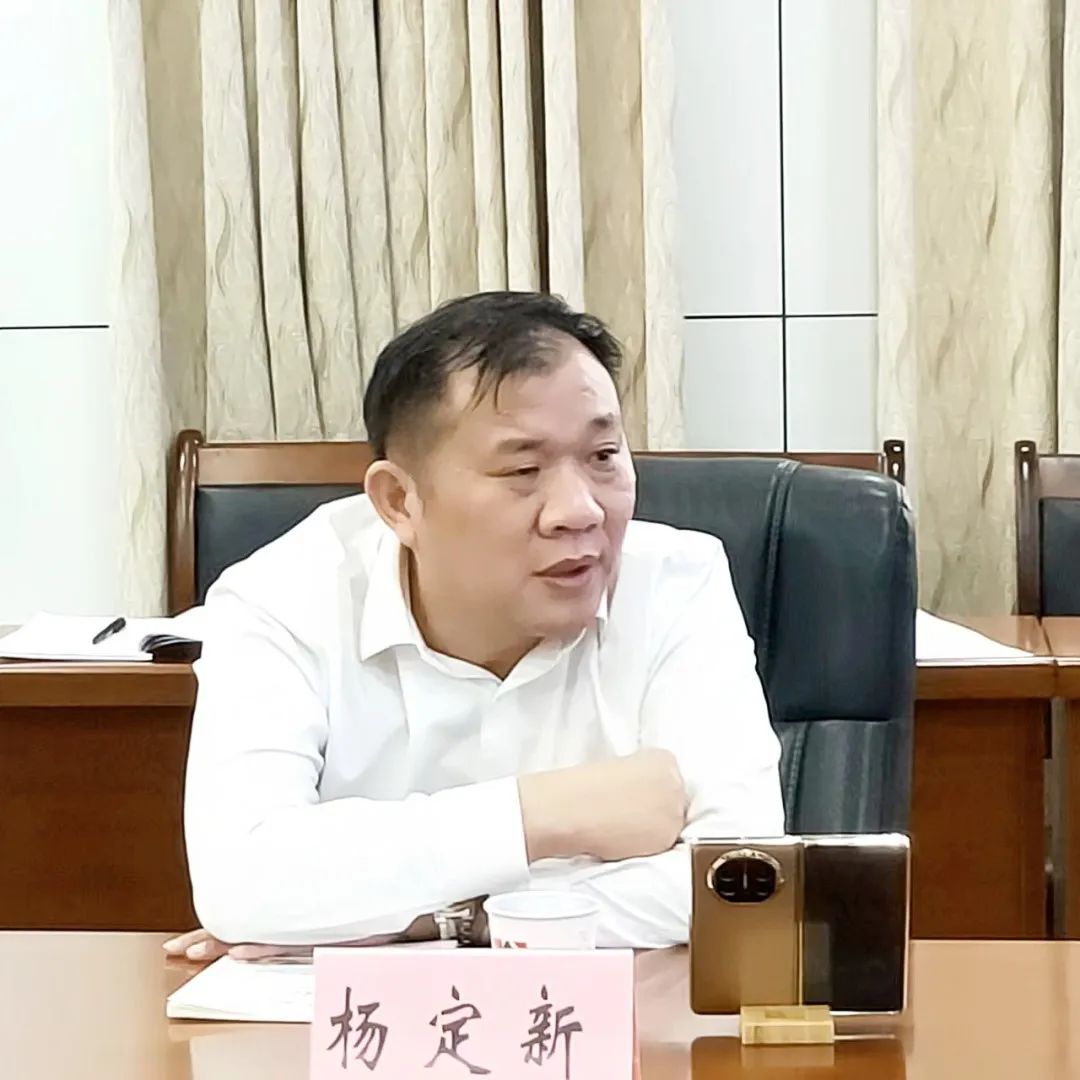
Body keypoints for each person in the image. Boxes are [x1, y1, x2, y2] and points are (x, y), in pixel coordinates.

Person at [166, 291, 783, 963]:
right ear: (399, 502)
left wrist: (447, 921)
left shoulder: (676, 581)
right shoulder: (279, 600)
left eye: (603, 455)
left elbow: (742, 880)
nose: (580, 511)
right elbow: (243, 882)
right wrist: (547, 811)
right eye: (523, 470)